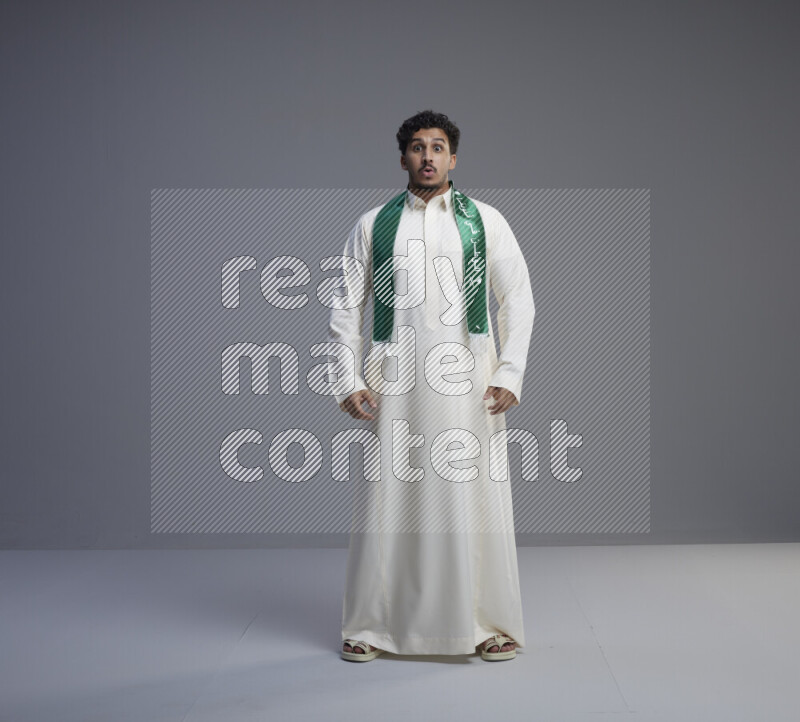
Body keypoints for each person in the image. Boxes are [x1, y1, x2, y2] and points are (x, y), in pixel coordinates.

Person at [327, 110, 535, 662]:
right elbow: (346, 305)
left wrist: (510, 371)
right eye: (417, 147)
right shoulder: (373, 224)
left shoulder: (486, 221)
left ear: (453, 158)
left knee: (475, 498)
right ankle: (370, 625)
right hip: (394, 377)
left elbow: (517, 299)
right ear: (402, 159)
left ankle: (487, 623)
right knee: (387, 496)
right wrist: (347, 378)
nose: (427, 156)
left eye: (438, 147)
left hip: (470, 377)